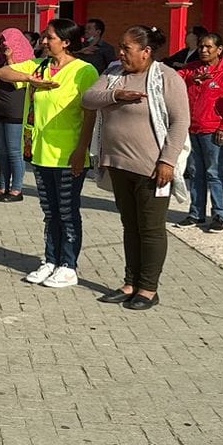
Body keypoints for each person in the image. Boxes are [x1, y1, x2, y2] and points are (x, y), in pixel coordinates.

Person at [82, 26, 190, 311]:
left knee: (151, 228)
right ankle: (130, 283)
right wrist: (117, 96)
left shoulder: (167, 77)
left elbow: (180, 122)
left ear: (146, 52)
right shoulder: (114, 72)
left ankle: (148, 288)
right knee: (130, 226)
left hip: (153, 169)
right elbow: (88, 99)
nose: (121, 53)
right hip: (118, 164)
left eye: (127, 48)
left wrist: (167, 161)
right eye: (120, 47)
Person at [0, 18, 98, 286]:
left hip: (68, 154)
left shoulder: (83, 71)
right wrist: (30, 79)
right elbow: (2, 73)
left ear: (66, 42)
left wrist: (82, 150)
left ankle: (68, 264)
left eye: (50, 37)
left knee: (67, 211)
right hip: (40, 152)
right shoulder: (40, 66)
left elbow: (90, 115)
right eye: (44, 36)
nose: (43, 41)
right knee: (50, 211)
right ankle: (50, 260)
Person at [175, 32, 223, 233]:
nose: (204, 50)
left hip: (213, 131)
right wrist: (192, 80)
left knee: (214, 173)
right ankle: (196, 213)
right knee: (195, 173)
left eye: (209, 47)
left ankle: (219, 215)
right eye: (201, 47)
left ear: (219, 50)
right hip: (192, 129)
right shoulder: (191, 69)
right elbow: (172, 83)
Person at [0, 27, 36, 202]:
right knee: (3, 151)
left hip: (16, 111)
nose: (2, 45)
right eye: (1, 42)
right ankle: (3, 187)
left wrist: (10, 58)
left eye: (5, 42)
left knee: (14, 151)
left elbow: (13, 77)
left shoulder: (27, 63)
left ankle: (16, 190)